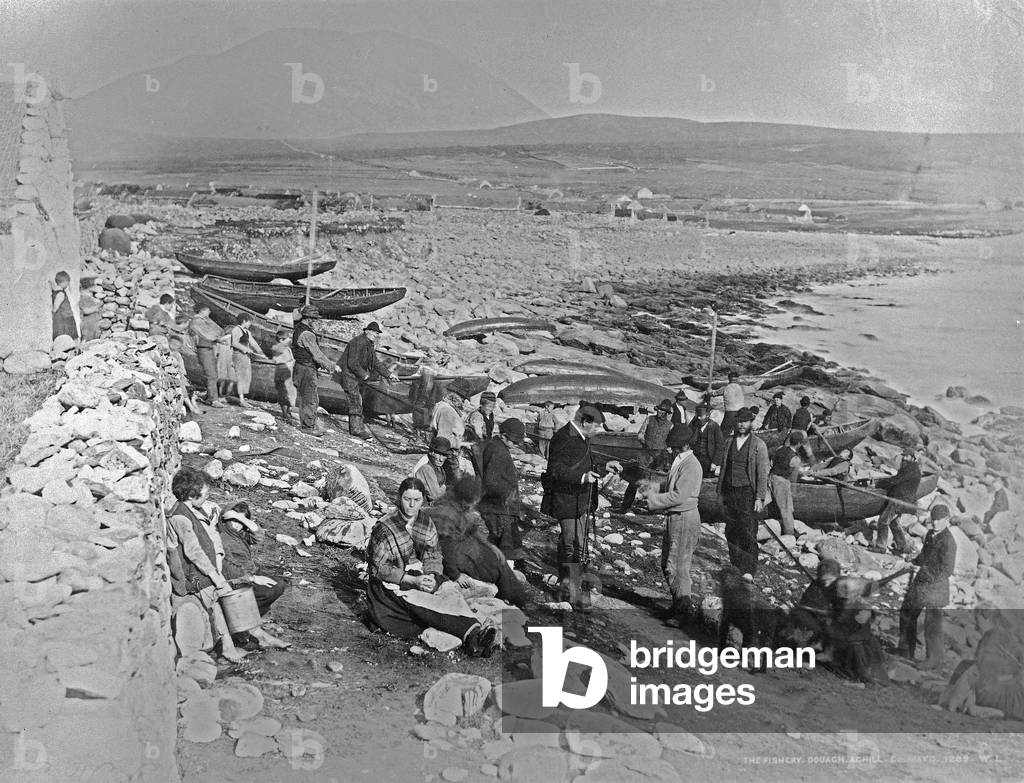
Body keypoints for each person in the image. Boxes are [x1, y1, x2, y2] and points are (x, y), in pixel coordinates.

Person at [365, 477, 499, 656]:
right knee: (424, 603)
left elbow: (433, 553)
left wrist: (432, 574)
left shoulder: (425, 522)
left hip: (419, 572)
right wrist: (413, 580)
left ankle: (477, 633)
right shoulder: (384, 528)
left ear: (422, 500)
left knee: (447, 590)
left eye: (417, 500)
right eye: (407, 499)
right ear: (399, 498)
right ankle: (474, 637)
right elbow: (379, 568)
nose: (411, 505)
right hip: (391, 584)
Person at [165, 468, 245, 662]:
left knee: (215, 605)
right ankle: (222, 648)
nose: (207, 499)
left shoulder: (190, 510)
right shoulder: (180, 518)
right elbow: (193, 552)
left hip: (202, 573)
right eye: (206, 495)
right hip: (196, 575)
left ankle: (226, 646)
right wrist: (215, 575)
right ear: (192, 495)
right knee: (213, 607)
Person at [425, 476, 527, 607]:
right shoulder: (447, 514)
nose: (475, 504)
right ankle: (516, 601)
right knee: (496, 569)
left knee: (497, 561)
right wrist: (456, 575)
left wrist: (491, 547)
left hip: (463, 545)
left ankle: (513, 595)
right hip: (455, 554)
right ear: (465, 499)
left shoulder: (458, 506)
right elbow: (445, 549)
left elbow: (473, 530)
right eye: (474, 501)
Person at [541, 404, 606, 609]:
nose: (599, 431)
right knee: (570, 543)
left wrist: (605, 467)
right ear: (585, 422)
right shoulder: (563, 436)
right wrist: (582, 477)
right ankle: (568, 589)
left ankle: (573, 585)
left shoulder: (581, 436)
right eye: (597, 426)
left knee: (579, 544)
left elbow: (585, 461)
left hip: (580, 500)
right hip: (566, 499)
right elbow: (555, 470)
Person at [644, 423, 703, 626]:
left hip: (685, 517)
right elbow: (673, 484)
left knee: (678, 566)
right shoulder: (681, 460)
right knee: (667, 563)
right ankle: (677, 604)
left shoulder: (692, 465)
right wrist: (655, 486)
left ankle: (684, 612)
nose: (669, 449)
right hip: (676, 516)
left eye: (674, 445)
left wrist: (654, 500)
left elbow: (680, 495)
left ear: (684, 445)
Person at [217, 502, 290, 649]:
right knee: (266, 590)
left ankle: (252, 623)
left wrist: (240, 519)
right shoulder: (222, 536)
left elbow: (259, 535)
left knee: (279, 585)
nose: (237, 525)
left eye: (240, 522)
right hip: (237, 578)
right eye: (234, 521)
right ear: (225, 519)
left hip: (250, 571)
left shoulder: (239, 533)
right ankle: (246, 629)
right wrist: (252, 578)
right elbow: (228, 567)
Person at [897, 505, 956, 670]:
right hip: (921, 582)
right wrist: (914, 561)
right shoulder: (930, 534)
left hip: (936, 588)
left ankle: (933, 660)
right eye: (933, 519)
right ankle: (905, 650)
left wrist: (925, 571)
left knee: (932, 625)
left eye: (939, 520)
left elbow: (947, 570)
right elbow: (924, 555)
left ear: (947, 520)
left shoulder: (949, 542)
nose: (935, 523)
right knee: (907, 613)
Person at [716, 408, 769, 579]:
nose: (741, 425)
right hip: (729, 491)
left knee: (748, 531)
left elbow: (762, 473)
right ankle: (735, 565)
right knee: (731, 531)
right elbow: (724, 467)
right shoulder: (729, 442)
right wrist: (720, 493)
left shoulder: (758, 445)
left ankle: (748, 569)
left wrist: (760, 497)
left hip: (747, 493)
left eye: (745, 421)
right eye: (739, 421)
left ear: (751, 423)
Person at [338, 321, 399, 439]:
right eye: (375, 333)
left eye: (377, 334)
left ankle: (358, 428)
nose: (376, 335)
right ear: (367, 331)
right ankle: (356, 430)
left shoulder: (369, 344)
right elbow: (352, 362)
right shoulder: (357, 342)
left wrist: (389, 375)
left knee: (358, 402)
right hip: (349, 375)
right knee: (355, 401)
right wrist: (365, 375)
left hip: (357, 377)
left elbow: (375, 362)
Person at [478, 417, 526, 563]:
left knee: (497, 541)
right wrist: (509, 494)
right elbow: (491, 482)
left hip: (498, 506)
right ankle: (503, 574)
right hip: (499, 507)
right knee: (506, 546)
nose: (516, 444)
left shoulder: (496, 446)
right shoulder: (498, 451)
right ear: (503, 436)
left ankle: (490, 568)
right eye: (514, 441)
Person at [619, 398, 674, 513]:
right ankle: (625, 506)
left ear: (666, 413)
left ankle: (653, 508)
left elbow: (670, 443)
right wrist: (644, 441)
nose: (659, 412)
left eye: (662, 411)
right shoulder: (649, 419)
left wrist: (666, 450)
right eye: (659, 409)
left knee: (655, 483)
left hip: (659, 457)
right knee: (635, 480)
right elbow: (640, 434)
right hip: (645, 455)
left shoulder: (670, 426)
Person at [292, 305, 337, 437]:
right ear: (310, 319)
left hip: (299, 367)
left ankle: (307, 424)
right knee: (310, 398)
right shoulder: (307, 334)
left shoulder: (298, 329)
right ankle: (308, 427)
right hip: (306, 369)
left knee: (305, 397)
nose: (316, 322)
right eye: (315, 319)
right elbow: (317, 355)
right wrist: (331, 366)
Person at [871, 451, 922, 554]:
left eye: (907, 456)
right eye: (903, 456)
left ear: (913, 458)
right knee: (894, 523)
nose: (904, 458)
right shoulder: (911, 468)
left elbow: (896, 480)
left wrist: (878, 484)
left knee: (883, 520)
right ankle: (903, 547)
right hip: (904, 500)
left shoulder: (910, 468)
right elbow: (897, 480)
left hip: (899, 500)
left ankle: (881, 547)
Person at [431, 381, 474, 481]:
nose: (463, 402)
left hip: (443, 452)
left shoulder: (441, 405)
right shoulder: (448, 410)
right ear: (456, 397)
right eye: (463, 398)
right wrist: (462, 444)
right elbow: (443, 439)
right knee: (456, 483)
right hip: (448, 454)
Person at [768, 431, 805, 536]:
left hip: (772, 476)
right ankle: (789, 533)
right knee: (786, 509)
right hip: (781, 481)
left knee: (788, 507)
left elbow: (771, 462)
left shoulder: (780, 449)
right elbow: (793, 478)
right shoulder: (795, 458)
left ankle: (790, 527)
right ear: (799, 444)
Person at [189, 304, 226, 407]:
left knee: (213, 374)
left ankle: (209, 396)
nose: (209, 313)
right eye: (208, 311)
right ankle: (213, 400)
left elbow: (218, 332)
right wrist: (218, 338)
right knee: (211, 375)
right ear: (203, 310)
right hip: (204, 349)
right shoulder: (197, 321)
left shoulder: (202, 321)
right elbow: (209, 335)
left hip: (208, 349)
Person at [229, 313, 262, 408]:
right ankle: (241, 400)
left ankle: (242, 398)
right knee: (241, 376)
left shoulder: (247, 332)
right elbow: (234, 343)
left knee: (247, 376)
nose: (250, 324)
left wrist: (261, 353)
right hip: (238, 355)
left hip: (245, 356)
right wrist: (245, 349)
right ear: (244, 321)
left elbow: (254, 343)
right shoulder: (236, 329)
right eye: (249, 322)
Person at [413, 436, 453, 504]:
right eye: (439, 454)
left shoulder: (436, 466)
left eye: (444, 455)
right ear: (431, 452)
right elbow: (435, 496)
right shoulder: (426, 468)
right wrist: (446, 488)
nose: (441, 459)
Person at [689, 404, 725, 476]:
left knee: (706, 480)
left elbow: (720, 446)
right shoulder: (694, 424)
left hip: (708, 460)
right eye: (698, 416)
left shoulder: (714, 426)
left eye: (701, 416)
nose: (699, 418)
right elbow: (687, 438)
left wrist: (715, 462)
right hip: (694, 457)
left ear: (707, 416)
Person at [271, 329, 297, 422]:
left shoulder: (288, 348)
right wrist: (288, 362)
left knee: (290, 392)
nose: (289, 340)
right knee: (283, 392)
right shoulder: (277, 347)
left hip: (289, 373)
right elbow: (276, 359)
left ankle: (288, 411)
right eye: (287, 338)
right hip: (282, 372)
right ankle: (285, 413)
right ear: (281, 340)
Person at [51, 270, 79, 341]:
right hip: (64, 320)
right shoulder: (61, 294)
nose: (68, 284)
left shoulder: (57, 292)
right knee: (67, 337)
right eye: (67, 282)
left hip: (65, 318)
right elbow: (55, 308)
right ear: (63, 282)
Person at [720, 371, 744, 436]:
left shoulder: (725, 388)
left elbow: (713, 393)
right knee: (739, 431)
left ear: (729, 379)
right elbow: (752, 388)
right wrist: (760, 382)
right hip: (741, 413)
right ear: (737, 379)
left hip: (730, 413)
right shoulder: (741, 388)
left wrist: (709, 392)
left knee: (723, 432)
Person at [79, 278, 101, 342]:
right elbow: (85, 311)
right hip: (87, 324)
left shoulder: (89, 297)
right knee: (86, 340)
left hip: (92, 323)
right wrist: (97, 307)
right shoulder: (83, 297)